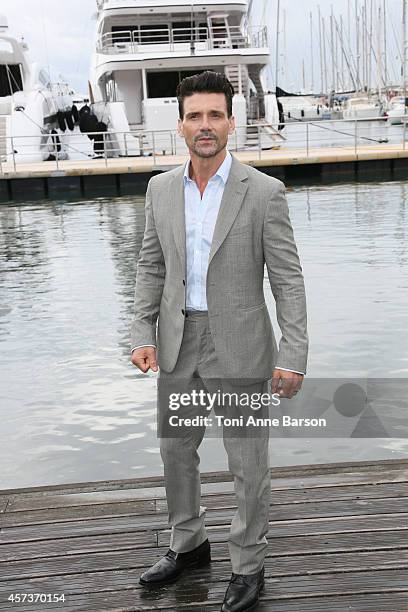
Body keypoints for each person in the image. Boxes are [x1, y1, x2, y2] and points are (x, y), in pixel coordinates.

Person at [131, 71, 308, 612]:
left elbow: (287, 279)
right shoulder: (160, 188)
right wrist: (142, 331)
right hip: (178, 341)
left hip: (241, 344)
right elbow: (149, 265)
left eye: (214, 115)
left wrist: (293, 353)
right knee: (175, 452)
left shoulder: (264, 192)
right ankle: (189, 544)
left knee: (247, 460)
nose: (204, 126)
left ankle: (248, 564)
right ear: (180, 124)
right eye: (194, 116)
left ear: (231, 122)